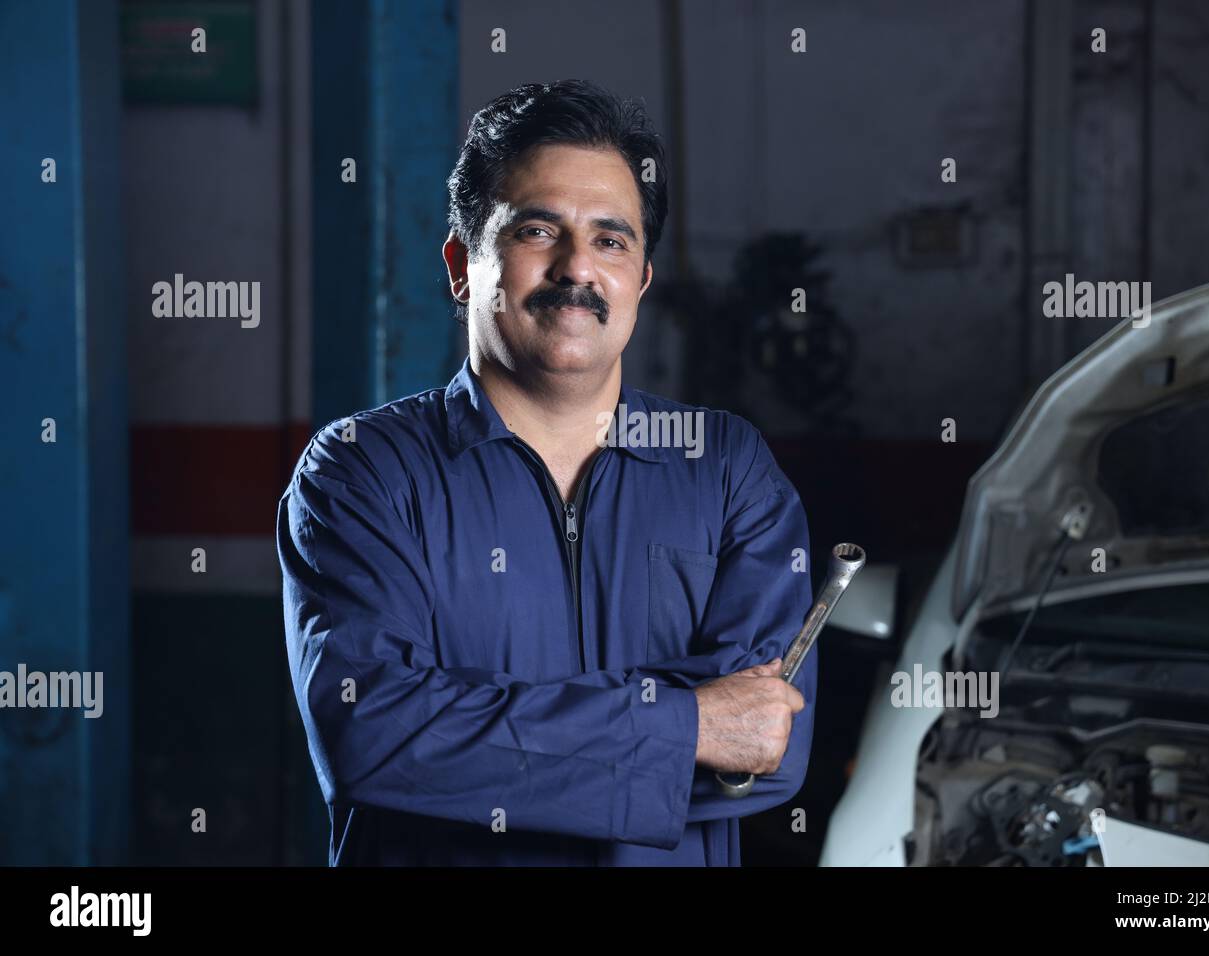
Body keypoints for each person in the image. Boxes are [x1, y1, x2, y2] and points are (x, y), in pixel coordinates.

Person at [277, 79, 815, 865]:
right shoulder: (364, 473)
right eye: (537, 230)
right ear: (463, 264)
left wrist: (476, 738)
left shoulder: (727, 469)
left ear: (640, 281)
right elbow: (374, 736)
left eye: (611, 240)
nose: (577, 268)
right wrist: (687, 724)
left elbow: (768, 748)